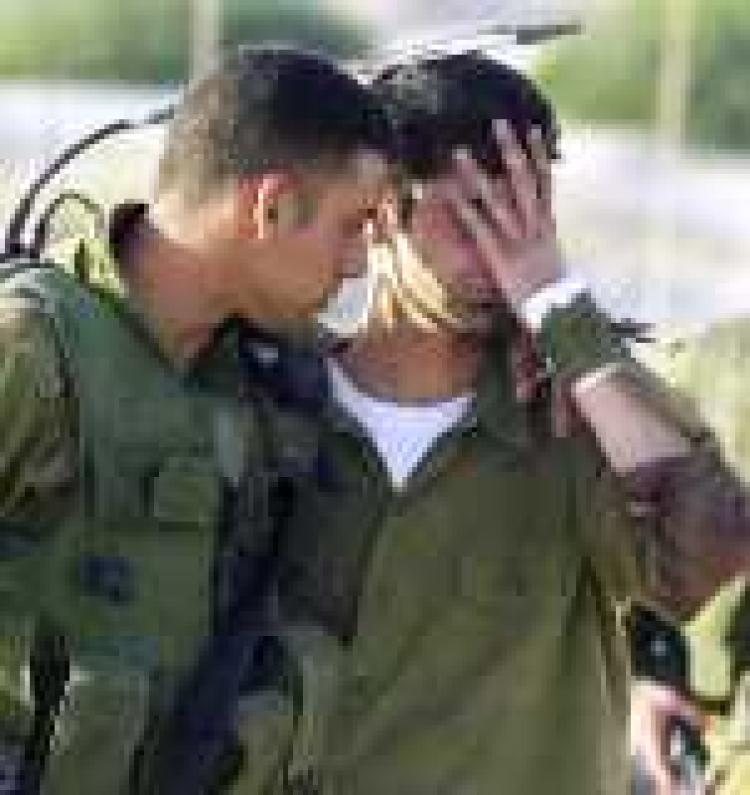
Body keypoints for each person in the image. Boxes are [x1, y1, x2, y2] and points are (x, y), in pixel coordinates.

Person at [250, 53, 750, 794]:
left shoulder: (571, 417)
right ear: (383, 211)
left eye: (529, 214)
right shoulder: (277, 407)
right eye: (474, 215)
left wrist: (562, 314)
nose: (504, 249)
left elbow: (704, 553)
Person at [0, 43, 391, 793]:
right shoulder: (34, 350)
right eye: (354, 225)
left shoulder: (265, 384)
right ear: (269, 206)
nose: (357, 264)